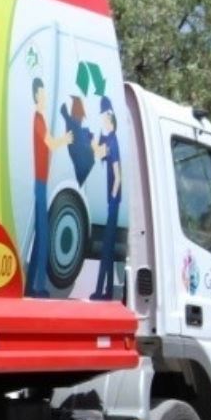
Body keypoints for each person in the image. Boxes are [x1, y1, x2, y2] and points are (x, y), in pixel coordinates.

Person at [24, 77, 73, 298]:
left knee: (40, 235)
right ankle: (38, 286)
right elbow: (51, 143)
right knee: (43, 235)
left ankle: (32, 285)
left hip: (42, 181)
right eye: (42, 95)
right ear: (36, 97)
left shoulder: (40, 118)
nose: (45, 99)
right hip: (41, 183)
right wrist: (66, 139)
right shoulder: (38, 119)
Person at [91, 98, 124, 300]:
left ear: (109, 116)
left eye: (103, 116)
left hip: (114, 201)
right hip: (112, 201)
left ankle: (102, 291)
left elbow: (117, 174)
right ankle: (107, 291)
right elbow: (97, 152)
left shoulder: (113, 142)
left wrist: (113, 197)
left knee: (106, 248)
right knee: (109, 248)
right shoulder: (108, 139)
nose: (102, 120)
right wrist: (93, 138)